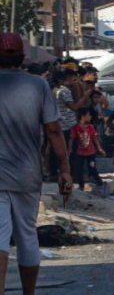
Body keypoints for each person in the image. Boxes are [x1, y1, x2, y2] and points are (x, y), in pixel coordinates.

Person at [0, 32, 72, 295]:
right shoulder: (37, 86)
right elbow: (53, 131)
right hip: (27, 174)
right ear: (22, 57)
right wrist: (64, 169)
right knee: (27, 236)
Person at [69, 108, 105, 193]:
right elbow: (71, 139)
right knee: (79, 170)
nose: (90, 117)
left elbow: (95, 138)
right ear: (83, 116)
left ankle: (100, 185)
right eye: (88, 115)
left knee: (92, 169)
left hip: (91, 153)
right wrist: (69, 149)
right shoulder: (76, 128)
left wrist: (99, 149)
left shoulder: (91, 127)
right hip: (80, 153)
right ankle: (81, 186)